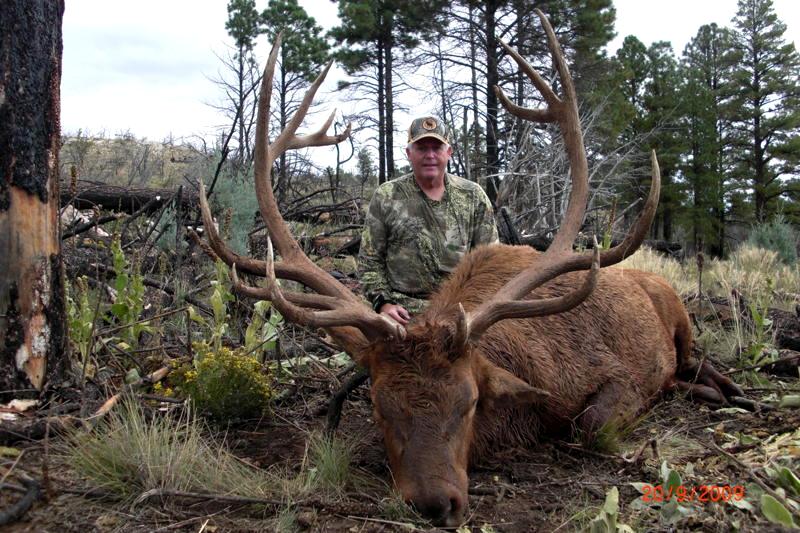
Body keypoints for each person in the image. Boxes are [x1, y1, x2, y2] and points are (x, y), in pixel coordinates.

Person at [359, 116, 499, 326]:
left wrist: (474, 309)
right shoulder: (386, 196)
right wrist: (384, 304)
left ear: (448, 153)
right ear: (409, 153)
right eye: (422, 148)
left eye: (437, 148)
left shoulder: (473, 196)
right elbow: (369, 262)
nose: (430, 155)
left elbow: (491, 263)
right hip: (402, 313)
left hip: (459, 312)